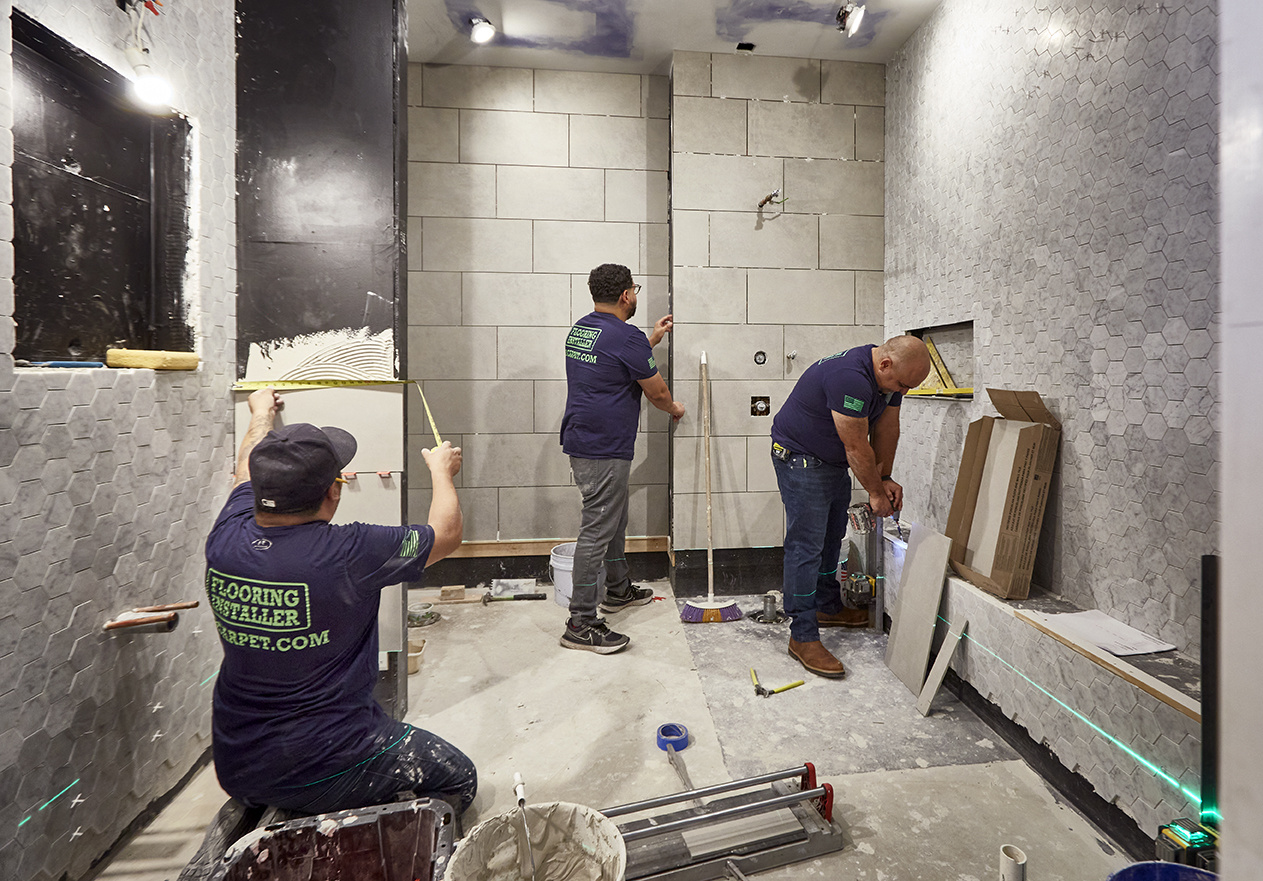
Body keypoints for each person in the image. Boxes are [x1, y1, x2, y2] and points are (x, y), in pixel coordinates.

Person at [203, 387, 476, 816]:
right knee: (460, 777)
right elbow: (447, 534)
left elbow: (245, 464)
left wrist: (261, 414)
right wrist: (442, 472)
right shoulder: (350, 552)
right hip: (327, 757)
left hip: (236, 762)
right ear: (333, 494)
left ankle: (279, 807)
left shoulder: (227, 533)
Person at [770, 336, 931, 678]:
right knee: (806, 545)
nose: (902, 392)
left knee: (831, 538)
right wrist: (874, 492)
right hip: (799, 458)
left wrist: (885, 477)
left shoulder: (889, 377)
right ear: (885, 364)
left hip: (829, 460)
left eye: (908, 389)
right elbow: (856, 446)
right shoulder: (851, 378)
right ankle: (802, 634)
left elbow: (887, 427)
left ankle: (827, 606)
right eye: (902, 385)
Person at [559, 263, 685, 654]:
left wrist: (653, 339)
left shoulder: (582, 329)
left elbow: (614, 358)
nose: (636, 295)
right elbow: (657, 392)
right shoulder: (625, 337)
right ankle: (580, 622)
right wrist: (676, 410)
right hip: (604, 446)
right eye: (635, 289)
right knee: (597, 529)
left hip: (584, 439)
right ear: (626, 295)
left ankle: (617, 590)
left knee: (612, 519)